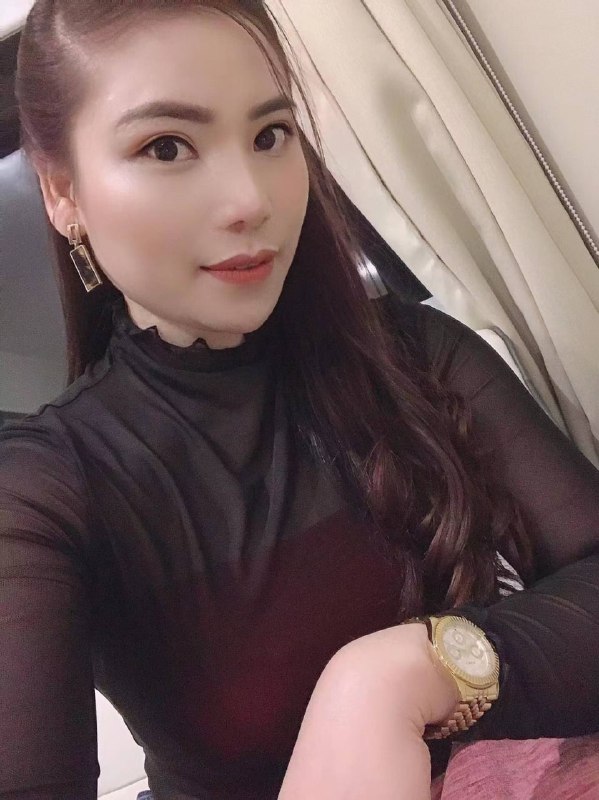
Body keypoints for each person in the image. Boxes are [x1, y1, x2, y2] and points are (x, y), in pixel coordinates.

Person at [1, 1, 598, 798]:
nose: (249, 199)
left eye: (269, 134)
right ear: (62, 193)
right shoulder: (45, 490)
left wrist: (399, 673)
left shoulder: (415, 353)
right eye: (166, 146)